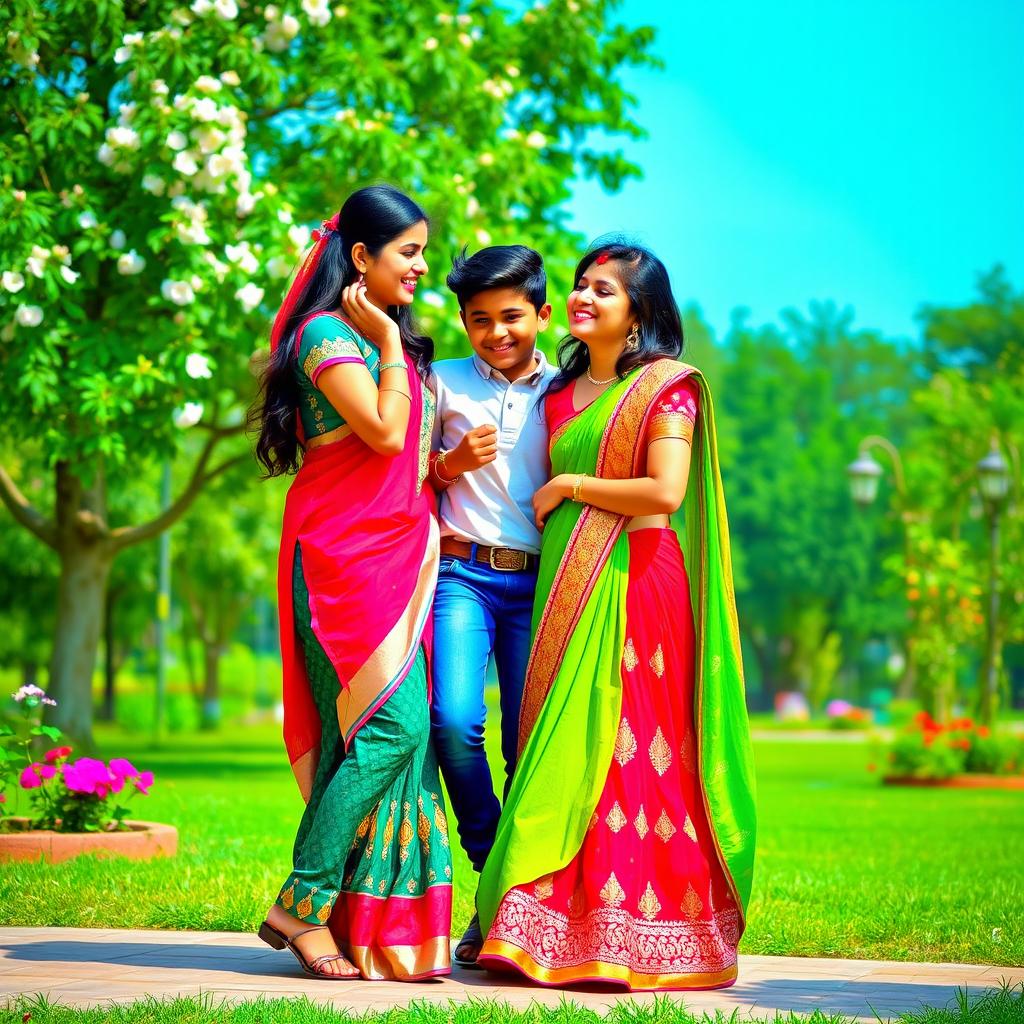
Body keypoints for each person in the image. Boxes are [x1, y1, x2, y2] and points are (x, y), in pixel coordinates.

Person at [475, 241, 757, 990]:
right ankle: (542, 924)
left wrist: (571, 484)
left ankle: (648, 934)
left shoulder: (668, 389)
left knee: (632, 744)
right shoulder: (559, 392)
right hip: (566, 586)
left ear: (638, 313)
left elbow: (664, 492)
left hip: (640, 582)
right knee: (567, 744)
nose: (583, 298)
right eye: (579, 285)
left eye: (603, 290)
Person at [253, 185, 452, 981]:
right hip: (338, 560)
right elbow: (380, 429)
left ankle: (354, 923)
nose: (421, 267)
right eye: (408, 252)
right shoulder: (324, 335)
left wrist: (447, 469)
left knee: (365, 734)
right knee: (392, 728)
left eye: (423, 252)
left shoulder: (376, 337)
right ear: (361, 257)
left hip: (397, 554)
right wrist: (393, 348)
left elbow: (403, 461)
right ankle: (303, 904)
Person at [427, 245, 556, 966]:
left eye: (511, 316)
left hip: (540, 586)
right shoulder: (441, 383)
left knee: (527, 742)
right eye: (479, 320)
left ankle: (509, 904)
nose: (497, 332)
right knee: (453, 722)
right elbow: (403, 478)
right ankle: (491, 873)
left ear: (540, 313)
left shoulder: (570, 390)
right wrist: (451, 465)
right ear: (464, 323)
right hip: (463, 577)